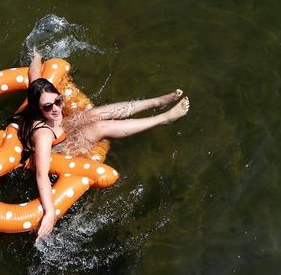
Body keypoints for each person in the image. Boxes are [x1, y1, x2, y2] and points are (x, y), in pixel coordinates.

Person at [12, 52, 190, 242]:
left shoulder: (46, 104)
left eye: (58, 101)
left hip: (62, 133)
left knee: (96, 113)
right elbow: (41, 173)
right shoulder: (43, 135)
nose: (55, 108)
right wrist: (49, 212)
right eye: (48, 107)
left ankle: (156, 102)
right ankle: (163, 119)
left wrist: (36, 56)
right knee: (99, 127)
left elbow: (34, 75)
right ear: (37, 109)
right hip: (59, 150)